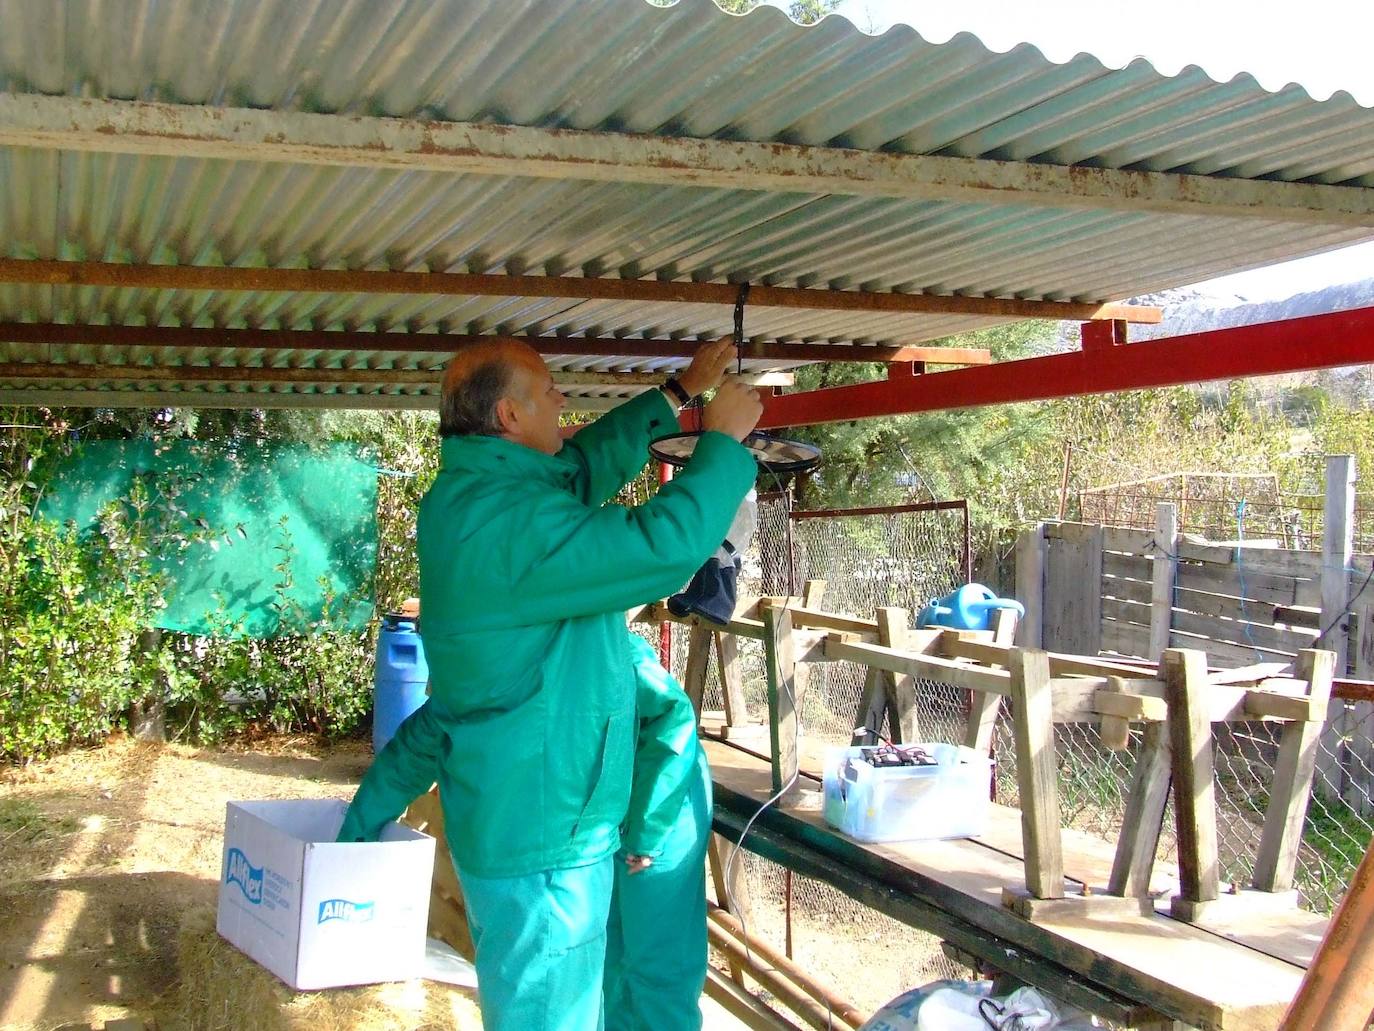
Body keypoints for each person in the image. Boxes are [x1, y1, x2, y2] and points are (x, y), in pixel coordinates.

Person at [336, 336, 761, 1031]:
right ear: (508, 414)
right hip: (543, 844)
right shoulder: (510, 525)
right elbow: (661, 549)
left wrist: (677, 394)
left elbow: (581, 465)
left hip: (528, 819)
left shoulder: (482, 492)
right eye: (548, 389)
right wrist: (719, 446)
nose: (564, 398)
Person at [603, 633, 713, 1031]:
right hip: (614, 807)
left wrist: (648, 833)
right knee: (610, 953)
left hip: (663, 805)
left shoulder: (613, 648)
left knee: (657, 960)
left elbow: (675, 719)